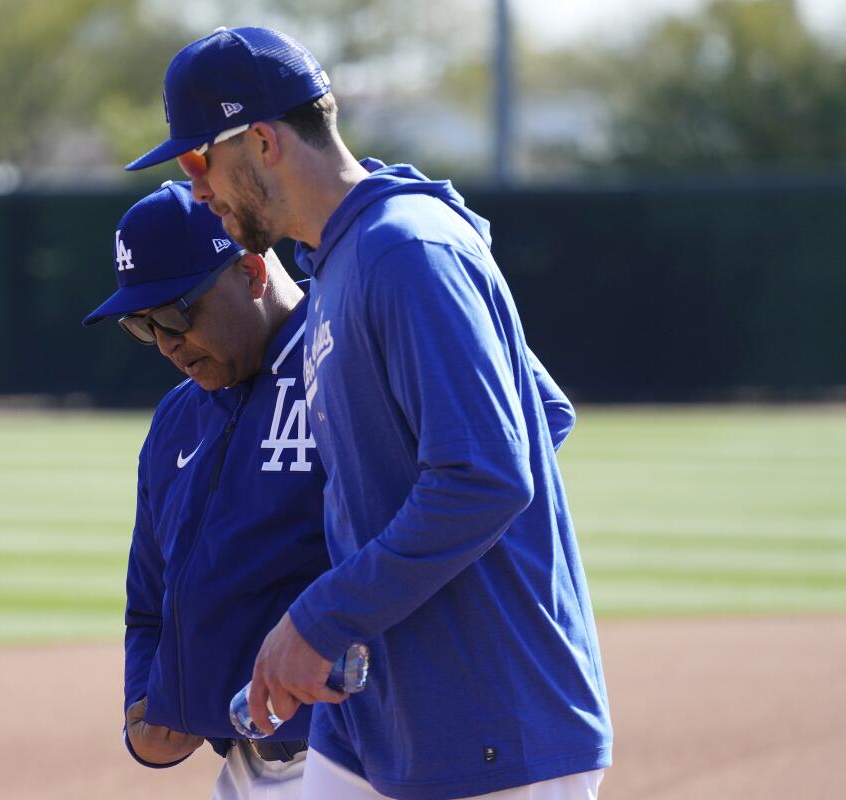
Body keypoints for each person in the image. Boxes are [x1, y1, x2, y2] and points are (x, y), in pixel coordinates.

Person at [123, 27, 613, 800]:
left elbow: (488, 473)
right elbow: (538, 411)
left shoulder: (406, 249)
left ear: (260, 141)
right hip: (384, 721)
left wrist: (323, 614)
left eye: (197, 160)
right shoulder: (344, 257)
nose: (198, 188)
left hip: (491, 731)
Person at [82, 180, 331, 800]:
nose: (165, 343)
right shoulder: (175, 419)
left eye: (174, 312)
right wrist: (144, 705)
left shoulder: (346, 359)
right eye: (141, 325)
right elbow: (149, 605)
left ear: (249, 273)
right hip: (246, 769)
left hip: (359, 758)